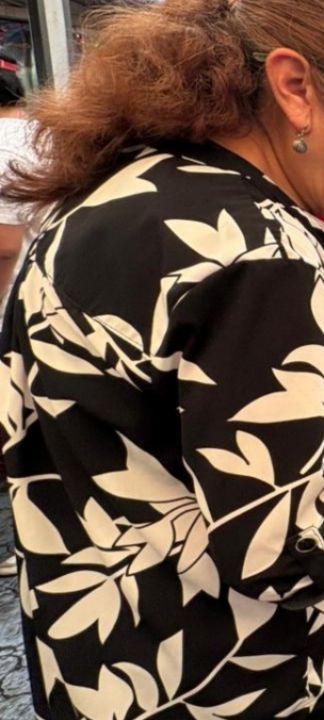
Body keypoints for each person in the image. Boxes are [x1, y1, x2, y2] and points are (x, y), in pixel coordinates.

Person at [0, 0, 324, 717]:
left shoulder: (98, 205)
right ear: (296, 88)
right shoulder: (261, 253)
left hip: (102, 664)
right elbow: (291, 548)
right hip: (233, 684)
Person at [0, 52, 35, 581]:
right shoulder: (49, 132)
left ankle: (26, 547)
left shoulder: (2, 145)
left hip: (10, 310)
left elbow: (5, 247)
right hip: (52, 305)